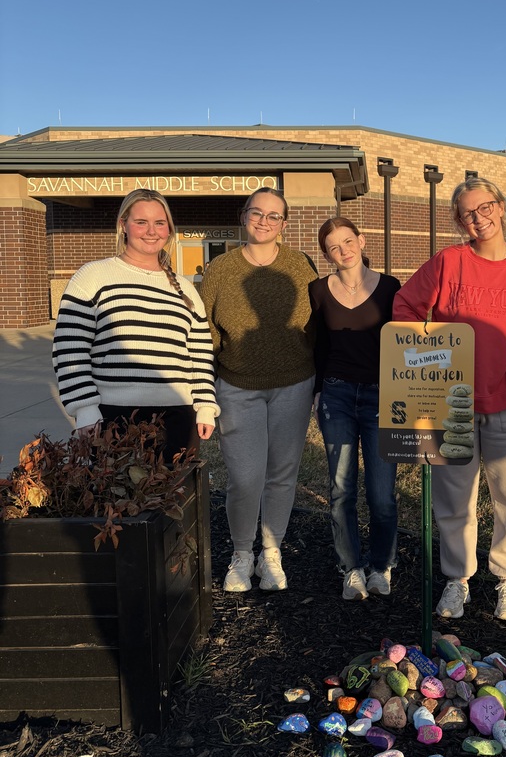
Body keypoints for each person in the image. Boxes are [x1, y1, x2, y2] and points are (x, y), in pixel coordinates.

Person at [392, 176, 506, 621]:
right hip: (450, 398)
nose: (478, 219)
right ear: (459, 221)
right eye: (467, 214)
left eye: (485, 208)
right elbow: (405, 309)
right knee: (454, 497)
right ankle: (457, 579)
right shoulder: (448, 262)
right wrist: (431, 358)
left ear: (501, 206)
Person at [201, 188, 317, 594]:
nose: (264, 221)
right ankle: (241, 552)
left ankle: (271, 551)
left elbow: (315, 321)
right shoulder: (221, 268)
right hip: (237, 385)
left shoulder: (301, 265)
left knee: (282, 475)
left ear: (284, 223)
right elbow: (207, 331)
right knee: (245, 478)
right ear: (244, 216)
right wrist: (206, 387)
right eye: (257, 212)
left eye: (274, 215)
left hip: (294, 383)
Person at [52, 188, 218, 462]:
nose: (151, 231)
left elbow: (199, 354)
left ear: (169, 229)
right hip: (111, 417)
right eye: (141, 222)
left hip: (177, 418)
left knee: (172, 502)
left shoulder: (185, 289)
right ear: (123, 225)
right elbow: (70, 347)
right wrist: (84, 407)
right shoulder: (93, 277)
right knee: (115, 503)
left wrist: (205, 405)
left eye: (159, 222)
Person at [309, 217, 401, 601]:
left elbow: (404, 342)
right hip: (337, 395)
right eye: (334, 246)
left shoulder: (390, 287)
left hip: (383, 395)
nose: (344, 250)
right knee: (341, 488)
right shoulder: (317, 290)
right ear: (326, 253)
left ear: (361, 241)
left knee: (382, 493)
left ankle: (381, 566)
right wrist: (317, 392)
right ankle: (350, 567)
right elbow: (317, 345)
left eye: (348, 241)